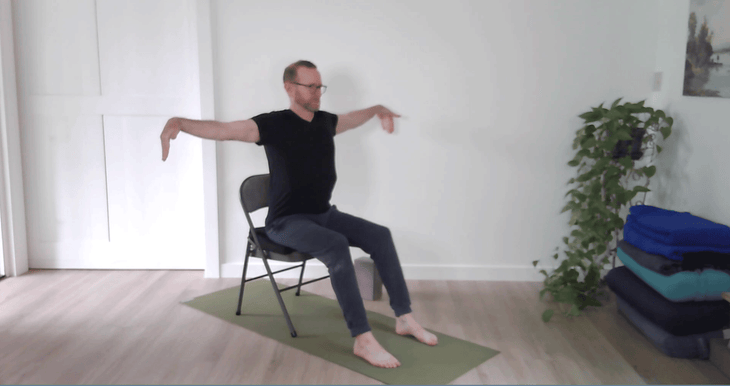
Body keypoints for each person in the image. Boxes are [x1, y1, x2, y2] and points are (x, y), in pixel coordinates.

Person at [160, 60, 437, 369]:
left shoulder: (324, 122)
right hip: (285, 223)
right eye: (311, 86)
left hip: (324, 214)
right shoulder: (271, 124)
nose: (318, 92)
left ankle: (404, 316)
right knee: (334, 245)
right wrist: (180, 122)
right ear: (289, 88)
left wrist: (376, 108)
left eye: (320, 86)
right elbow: (225, 131)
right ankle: (363, 339)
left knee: (380, 235)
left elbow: (351, 119)